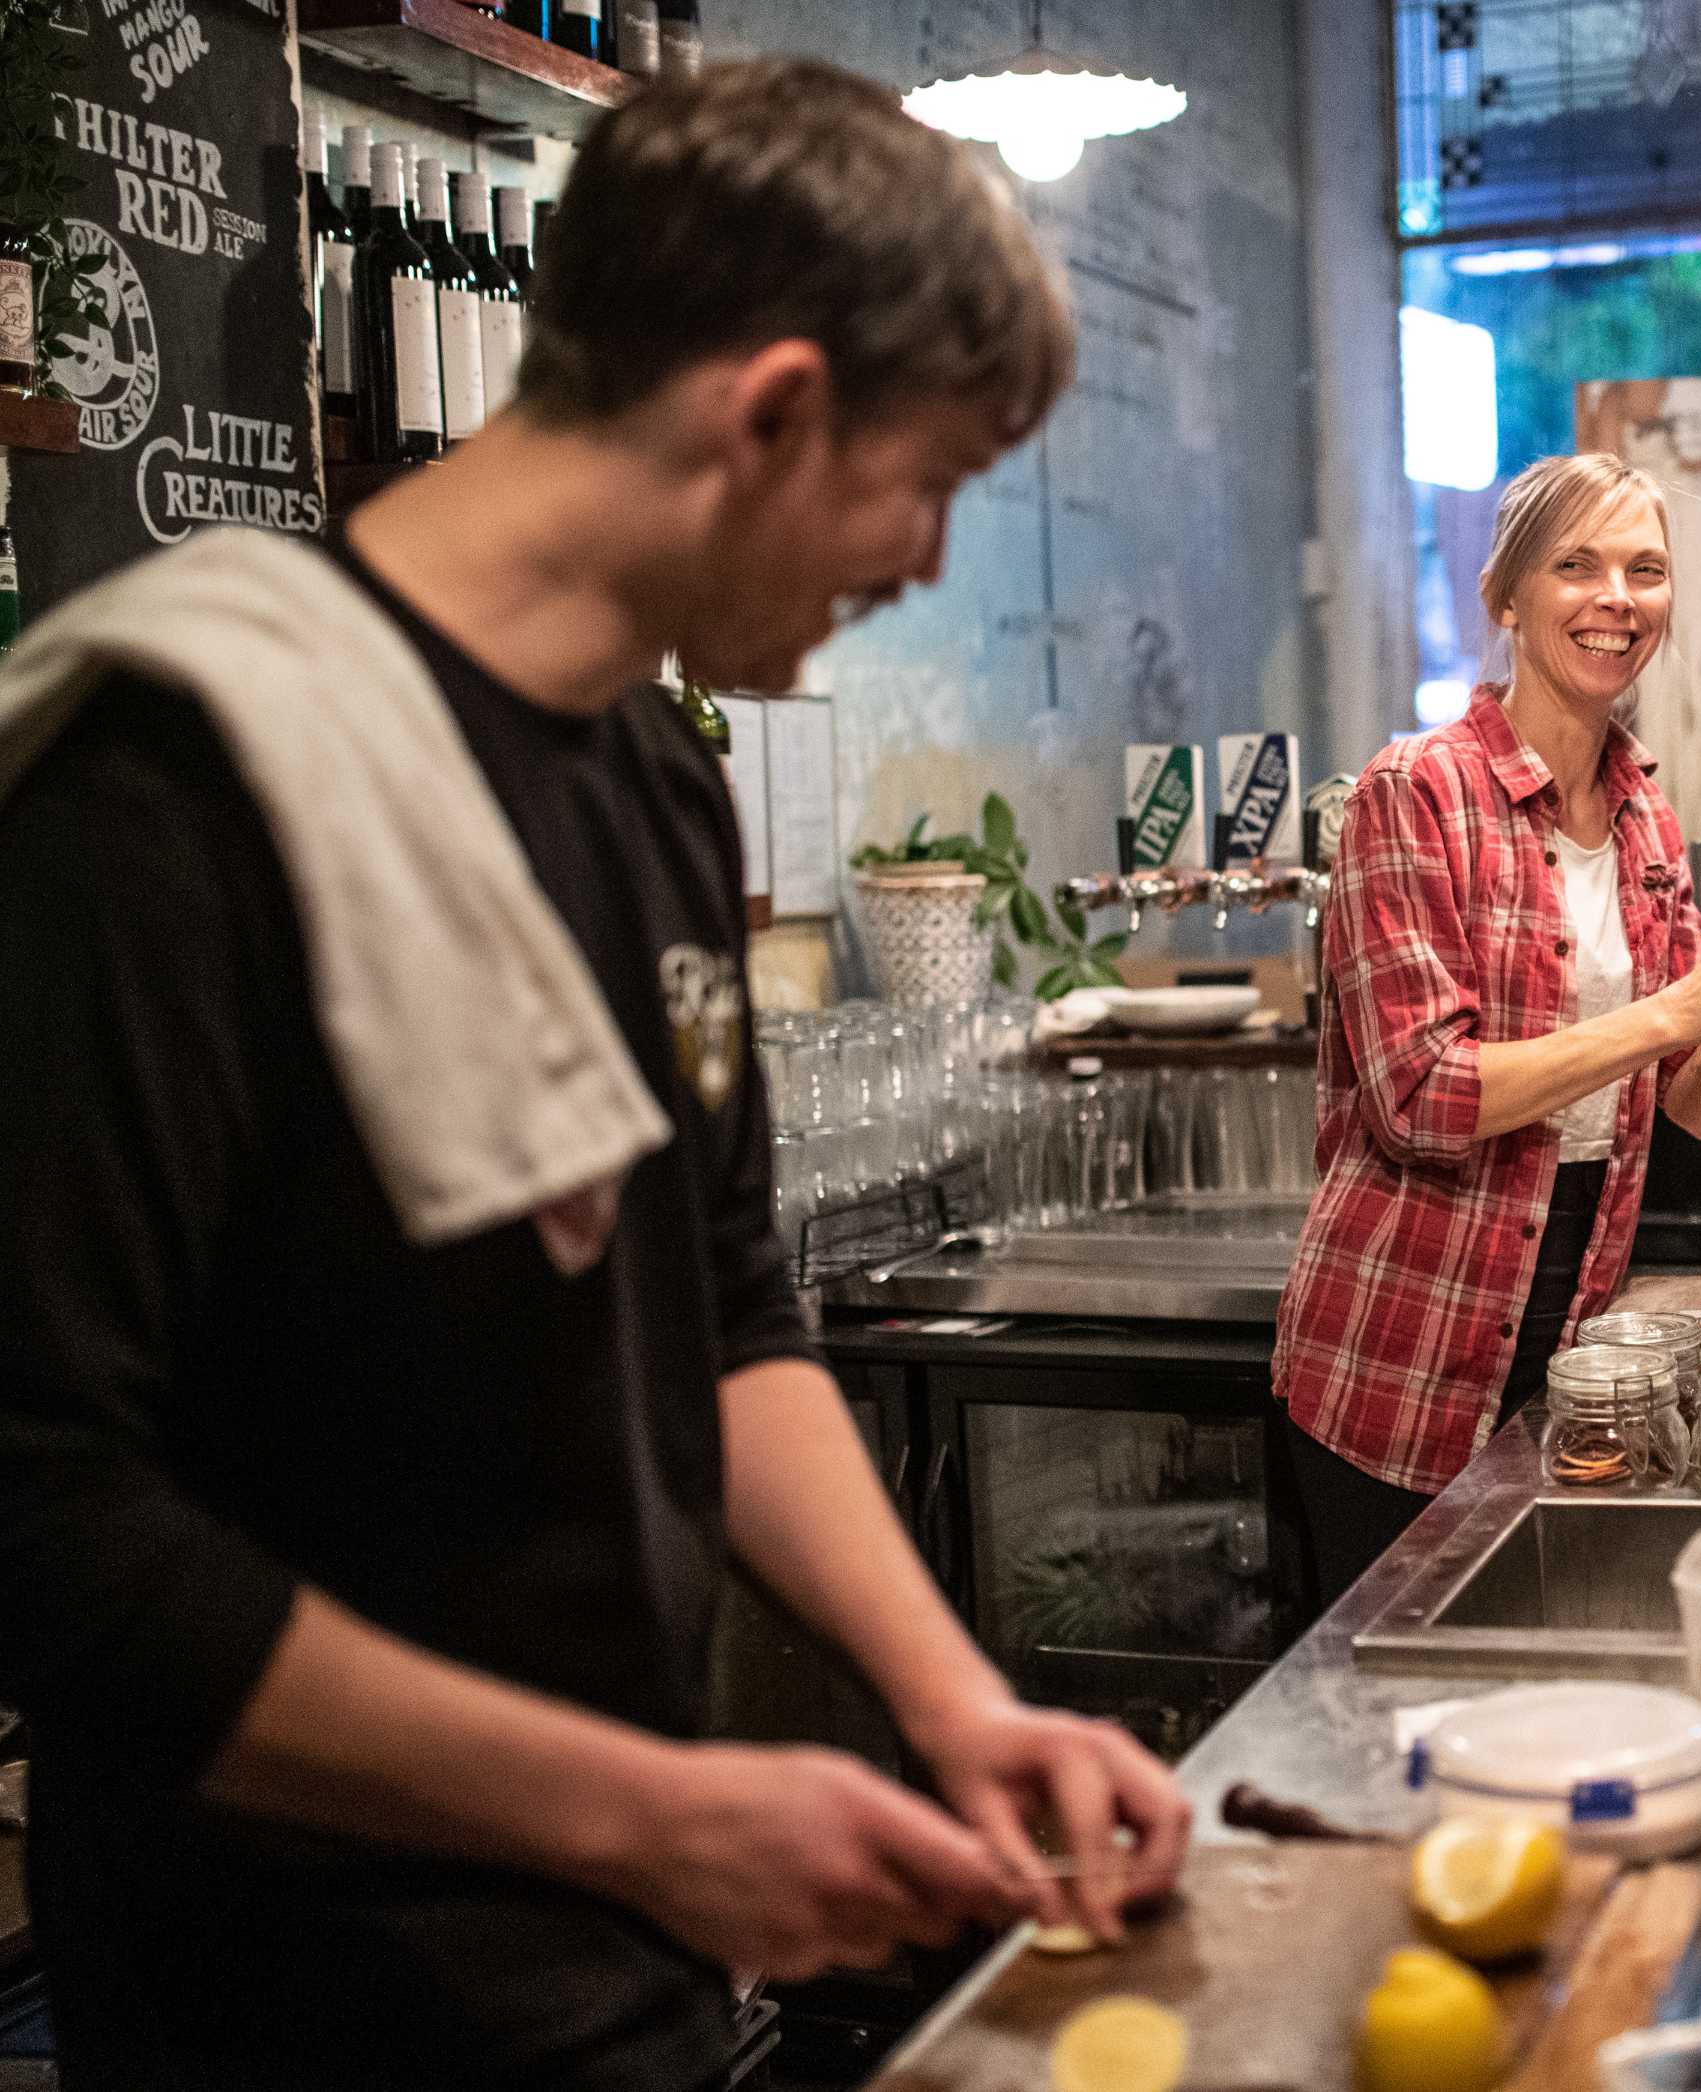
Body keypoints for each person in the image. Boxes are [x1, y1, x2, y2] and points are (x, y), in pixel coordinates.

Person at [0, 61, 1185, 2091]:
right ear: (776, 409)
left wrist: (951, 1698)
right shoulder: (176, 782)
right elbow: (47, 1518)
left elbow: (725, 1312)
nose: (919, 559)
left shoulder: (641, 767)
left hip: (615, 1978)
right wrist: (643, 1812)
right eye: (929, 483)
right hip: (290, 2010)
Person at [1274, 453, 1701, 1600]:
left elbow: (1688, 1105)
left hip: (1571, 1344)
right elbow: (1422, 1097)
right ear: (1506, 597)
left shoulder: (1641, 816)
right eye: (1576, 566)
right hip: (1398, 1351)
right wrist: (1681, 1002)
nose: (1616, 597)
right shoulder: (1413, 791)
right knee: (1395, 1720)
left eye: (1645, 569)